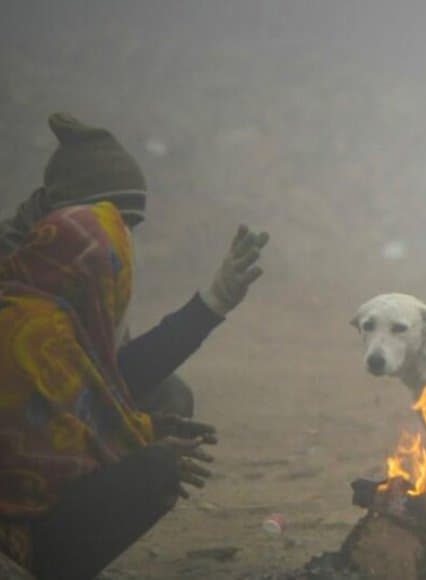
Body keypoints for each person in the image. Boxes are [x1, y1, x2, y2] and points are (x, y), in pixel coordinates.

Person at [0, 113, 268, 418]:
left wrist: (214, 302)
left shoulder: (82, 264)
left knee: (169, 396)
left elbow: (115, 373)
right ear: (68, 217)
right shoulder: (18, 284)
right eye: (108, 224)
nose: (120, 239)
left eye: (128, 227)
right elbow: (55, 405)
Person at [0, 203, 217, 580]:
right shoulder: (38, 336)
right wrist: (151, 454)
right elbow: (54, 462)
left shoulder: (29, 308)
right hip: (13, 538)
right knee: (154, 469)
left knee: (159, 433)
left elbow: (81, 415)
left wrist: (149, 429)